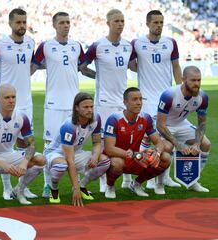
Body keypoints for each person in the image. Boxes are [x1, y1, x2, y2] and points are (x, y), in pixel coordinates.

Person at [32, 12, 95, 197]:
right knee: (50, 145)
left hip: (74, 105)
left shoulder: (76, 46)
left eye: (68, 22)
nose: (66, 25)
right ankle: (47, 184)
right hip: (53, 104)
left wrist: (101, 77)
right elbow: (32, 68)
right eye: (61, 23)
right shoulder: (45, 46)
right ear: (54, 25)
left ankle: (80, 184)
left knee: (77, 143)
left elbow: (83, 69)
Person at [0, 8, 37, 200]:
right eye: (18, 22)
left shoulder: (30, 42)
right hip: (5, 100)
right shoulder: (0, 44)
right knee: (2, 142)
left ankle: (21, 187)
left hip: (25, 100)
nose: (21, 26)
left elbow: (30, 68)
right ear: (10, 24)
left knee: (22, 143)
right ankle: (5, 187)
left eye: (24, 22)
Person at [126, 10, 183, 189]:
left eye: (161, 22)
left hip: (167, 98)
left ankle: (163, 177)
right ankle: (146, 176)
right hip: (147, 99)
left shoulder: (171, 43)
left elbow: (176, 66)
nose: (159, 25)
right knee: (146, 139)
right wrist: (145, 70)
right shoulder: (137, 43)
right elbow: (130, 64)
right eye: (155, 22)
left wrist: (180, 90)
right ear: (148, 23)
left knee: (168, 135)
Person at [84, 9, 134, 193]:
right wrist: (98, 76)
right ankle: (103, 182)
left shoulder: (129, 46)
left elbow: (134, 65)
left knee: (127, 140)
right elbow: (82, 67)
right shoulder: (97, 45)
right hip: (104, 102)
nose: (120, 24)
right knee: (105, 144)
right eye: (116, 21)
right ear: (108, 23)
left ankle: (127, 180)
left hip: (123, 101)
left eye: (122, 21)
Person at [44, 92, 110, 206]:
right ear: (77, 108)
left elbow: (97, 142)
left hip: (75, 152)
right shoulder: (69, 126)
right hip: (56, 153)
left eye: (91, 106)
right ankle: (53, 189)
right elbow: (70, 160)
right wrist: (75, 188)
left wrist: (94, 156)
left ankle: (82, 185)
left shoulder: (96, 119)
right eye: (85, 107)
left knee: (104, 161)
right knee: (61, 165)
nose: (90, 110)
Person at [104, 87, 171, 198]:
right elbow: (109, 149)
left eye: (140, 99)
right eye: (134, 99)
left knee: (165, 158)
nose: (139, 103)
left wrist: (157, 153)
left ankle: (137, 184)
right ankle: (110, 186)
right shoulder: (114, 119)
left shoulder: (146, 118)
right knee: (117, 163)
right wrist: (136, 155)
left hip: (136, 158)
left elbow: (159, 143)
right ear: (125, 102)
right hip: (119, 157)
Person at [156, 66, 210, 192]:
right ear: (183, 79)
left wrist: (197, 143)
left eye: (199, 80)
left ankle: (193, 181)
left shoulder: (203, 97)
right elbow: (160, 124)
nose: (196, 84)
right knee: (168, 147)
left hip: (181, 124)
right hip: (165, 125)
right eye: (193, 80)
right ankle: (159, 183)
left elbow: (201, 124)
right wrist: (178, 144)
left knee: (205, 144)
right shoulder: (169, 95)